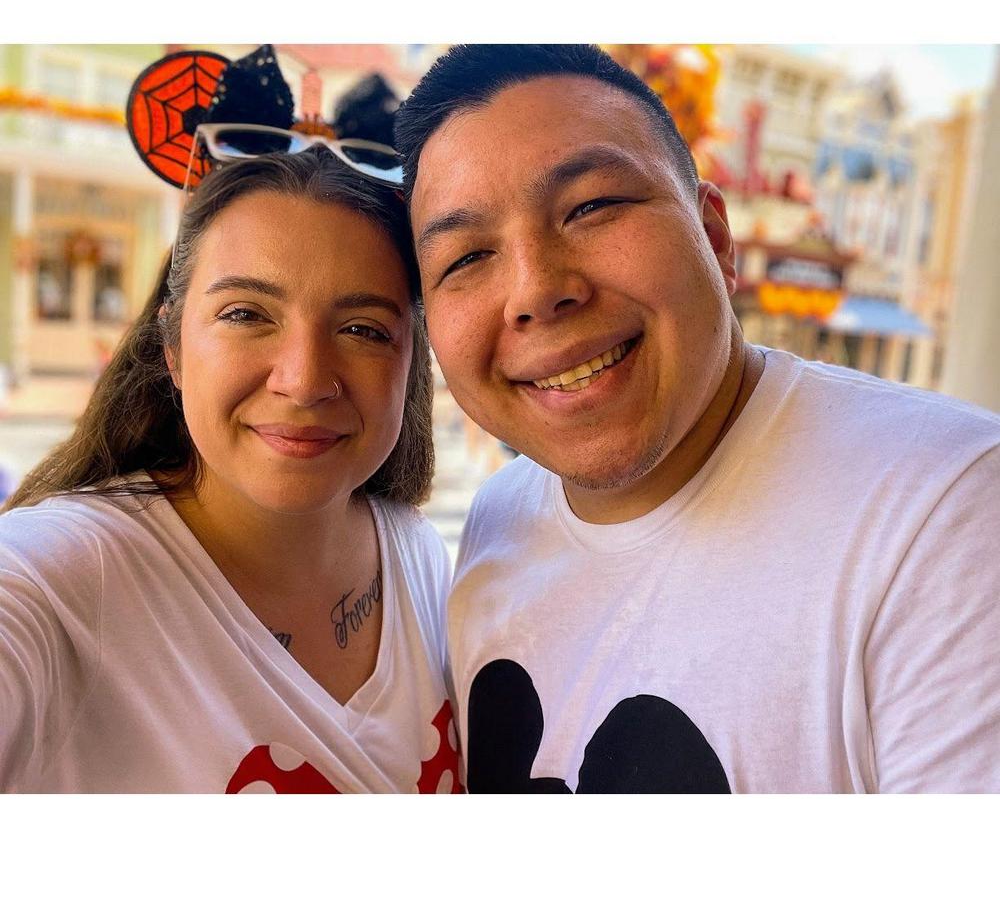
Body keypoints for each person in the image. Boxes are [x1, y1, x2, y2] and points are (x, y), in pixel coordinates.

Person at [394, 44, 1000, 793]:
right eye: (465, 258)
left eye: (591, 207)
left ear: (715, 238)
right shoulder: (498, 517)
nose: (536, 291)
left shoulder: (944, 512)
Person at [0, 148, 461, 793]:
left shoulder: (418, 555)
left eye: (362, 329)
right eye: (245, 314)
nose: (303, 381)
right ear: (172, 349)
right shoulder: (67, 579)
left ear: (411, 363)